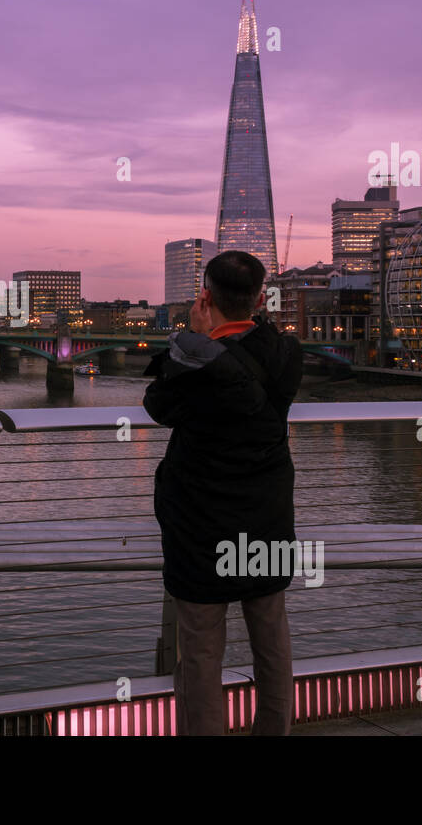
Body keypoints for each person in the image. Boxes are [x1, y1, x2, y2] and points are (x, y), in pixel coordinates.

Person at [142, 250, 303, 735]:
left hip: (200, 524)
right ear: (259, 298)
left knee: (200, 652)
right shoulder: (286, 354)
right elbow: (256, 355)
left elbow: (158, 406)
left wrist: (193, 338)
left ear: (205, 297)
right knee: (272, 639)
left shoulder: (192, 363)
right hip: (267, 516)